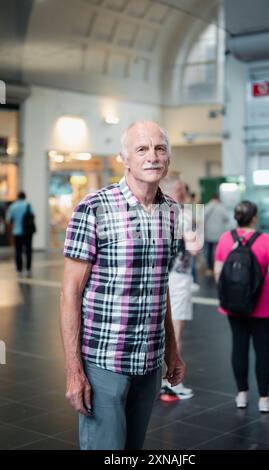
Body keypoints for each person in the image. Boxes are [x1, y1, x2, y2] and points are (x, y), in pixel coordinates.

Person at [60, 121, 186, 450]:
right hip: (105, 359)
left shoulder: (172, 212)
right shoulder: (93, 209)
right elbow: (70, 293)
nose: (152, 156)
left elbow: (162, 286)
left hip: (149, 360)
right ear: (124, 158)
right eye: (141, 149)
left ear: (168, 158)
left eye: (160, 148)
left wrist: (171, 349)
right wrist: (74, 370)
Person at [214, 200, 269, 413]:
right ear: (254, 218)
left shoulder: (225, 239)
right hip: (260, 305)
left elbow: (218, 272)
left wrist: (226, 296)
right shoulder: (265, 240)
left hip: (232, 304)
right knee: (262, 349)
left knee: (239, 346)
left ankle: (241, 395)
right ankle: (264, 400)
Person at [160, 174, 201, 400]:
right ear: (177, 190)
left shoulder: (156, 212)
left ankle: (161, 381)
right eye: (183, 188)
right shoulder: (183, 214)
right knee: (176, 331)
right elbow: (194, 248)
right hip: (178, 278)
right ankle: (172, 383)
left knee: (161, 330)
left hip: (160, 276)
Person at [6, 191, 35, 277]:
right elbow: (33, 217)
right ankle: (28, 269)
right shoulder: (28, 205)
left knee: (18, 251)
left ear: (17, 197)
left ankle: (19, 269)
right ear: (25, 197)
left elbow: (9, 220)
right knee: (28, 250)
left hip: (17, 232)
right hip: (28, 232)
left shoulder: (13, 206)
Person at [204, 193, 229, 274]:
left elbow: (202, 216)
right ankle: (218, 267)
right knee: (218, 251)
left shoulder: (207, 206)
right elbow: (226, 218)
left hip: (209, 232)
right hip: (219, 233)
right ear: (218, 198)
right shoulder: (221, 207)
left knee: (209, 251)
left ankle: (209, 268)